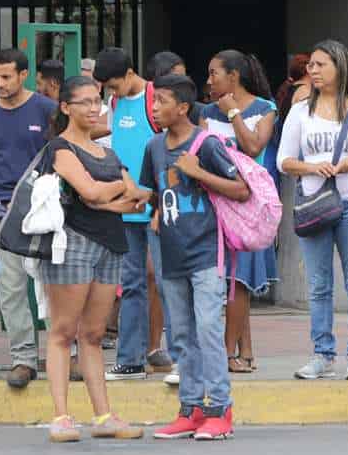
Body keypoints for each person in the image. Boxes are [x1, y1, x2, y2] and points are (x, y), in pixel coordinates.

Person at [143, 75, 249, 441]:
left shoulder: (206, 145)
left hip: (206, 252)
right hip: (170, 254)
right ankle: (191, 409)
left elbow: (241, 189)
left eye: (161, 102)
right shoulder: (154, 147)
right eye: (154, 102)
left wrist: (198, 171)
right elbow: (152, 194)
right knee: (181, 335)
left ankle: (221, 407)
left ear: (183, 108)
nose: (154, 108)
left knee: (206, 329)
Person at [278, 40, 348, 381]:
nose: (313, 71)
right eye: (310, 65)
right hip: (315, 204)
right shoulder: (300, 112)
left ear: (339, 67)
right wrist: (313, 168)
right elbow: (284, 160)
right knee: (318, 283)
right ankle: (322, 354)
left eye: (320, 64)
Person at [44, 76, 145, 443]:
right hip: (72, 244)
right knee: (63, 331)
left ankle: (103, 416)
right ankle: (60, 416)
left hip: (110, 244)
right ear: (65, 107)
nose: (93, 108)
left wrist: (107, 195)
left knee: (94, 334)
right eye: (84, 102)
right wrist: (112, 192)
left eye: (97, 100)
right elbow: (88, 192)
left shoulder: (108, 151)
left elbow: (135, 196)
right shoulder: (60, 149)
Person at [0, 49, 57, 389]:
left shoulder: (46, 110)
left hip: (45, 210)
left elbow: (64, 152)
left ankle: (64, 353)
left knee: (54, 284)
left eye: (6, 77)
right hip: (1, 210)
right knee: (12, 288)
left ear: (23, 75)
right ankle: (23, 360)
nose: (0, 83)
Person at [93, 47, 174, 381]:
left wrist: (159, 203)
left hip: (155, 208)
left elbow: (170, 151)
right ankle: (130, 359)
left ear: (130, 74)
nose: (112, 93)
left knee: (169, 285)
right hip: (126, 211)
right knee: (131, 286)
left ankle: (183, 358)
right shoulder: (114, 103)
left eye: (114, 85)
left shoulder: (154, 98)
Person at [204, 49, 279, 374]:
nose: (208, 81)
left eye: (214, 73)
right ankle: (243, 351)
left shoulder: (266, 109)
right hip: (214, 202)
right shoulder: (205, 111)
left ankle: (224, 353)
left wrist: (233, 112)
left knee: (240, 280)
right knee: (232, 281)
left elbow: (253, 147)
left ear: (233, 76)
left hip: (247, 208)